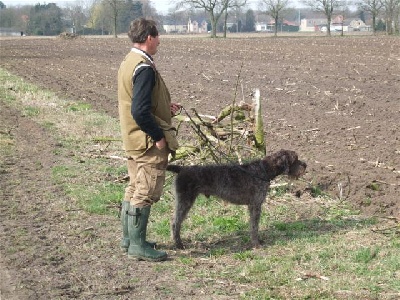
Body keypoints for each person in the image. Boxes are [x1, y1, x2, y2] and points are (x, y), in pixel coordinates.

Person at [118, 18, 181, 261]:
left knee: (134, 187)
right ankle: (138, 246)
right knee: (145, 191)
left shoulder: (129, 61)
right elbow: (140, 111)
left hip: (132, 139)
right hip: (146, 142)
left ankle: (129, 240)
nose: (159, 41)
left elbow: (139, 101)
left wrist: (166, 106)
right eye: (157, 36)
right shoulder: (144, 67)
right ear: (148, 38)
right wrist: (158, 138)